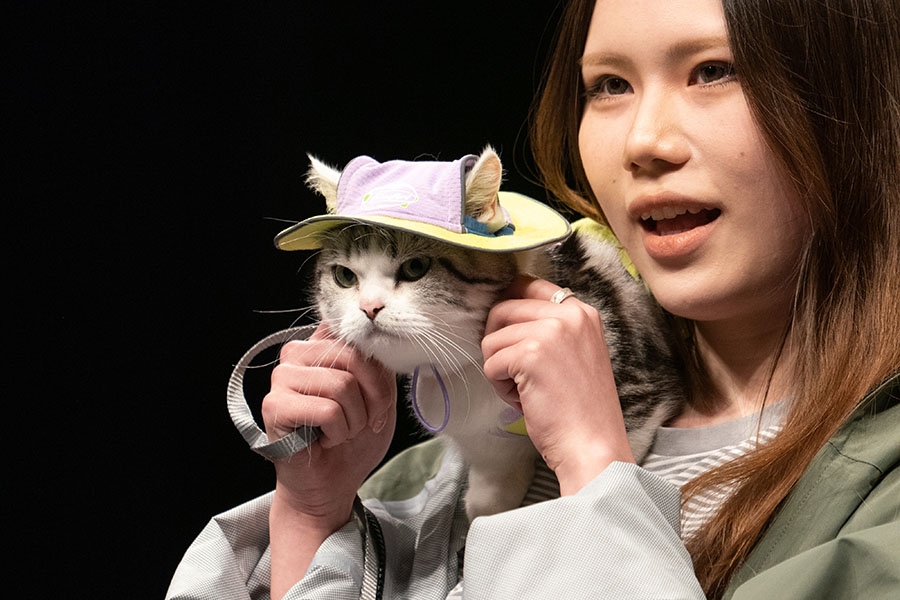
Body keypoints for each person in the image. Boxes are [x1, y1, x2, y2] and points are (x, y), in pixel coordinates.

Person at [167, 0, 900, 598]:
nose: (644, 141)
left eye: (713, 71)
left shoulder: (882, 492)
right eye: (608, 85)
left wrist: (591, 466)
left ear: (854, 102)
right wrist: (311, 511)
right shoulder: (433, 476)